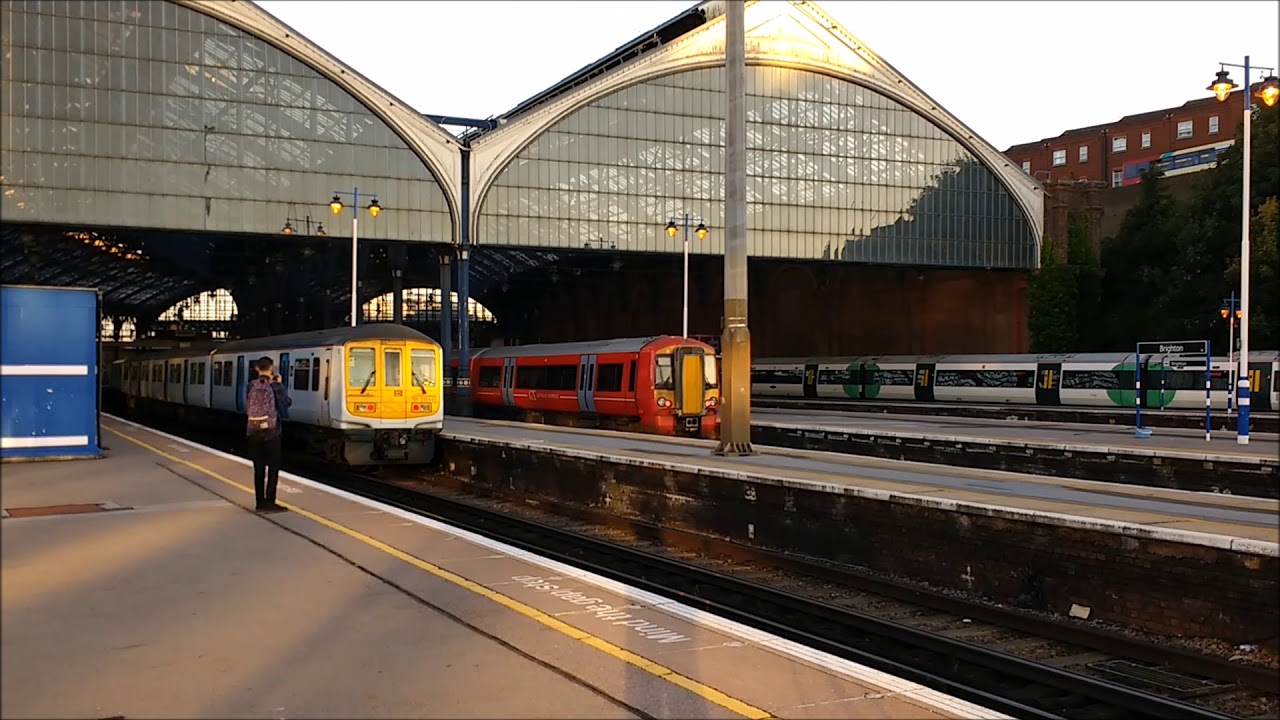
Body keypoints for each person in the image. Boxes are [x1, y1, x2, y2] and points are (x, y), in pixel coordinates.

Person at [245, 355, 291, 512]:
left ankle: (259, 502)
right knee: (273, 467)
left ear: (257, 369)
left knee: (259, 468)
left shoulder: (251, 385)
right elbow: (287, 402)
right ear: (271, 368)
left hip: (253, 431)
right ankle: (270, 501)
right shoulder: (275, 386)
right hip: (272, 432)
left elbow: (247, 403)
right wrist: (279, 384)